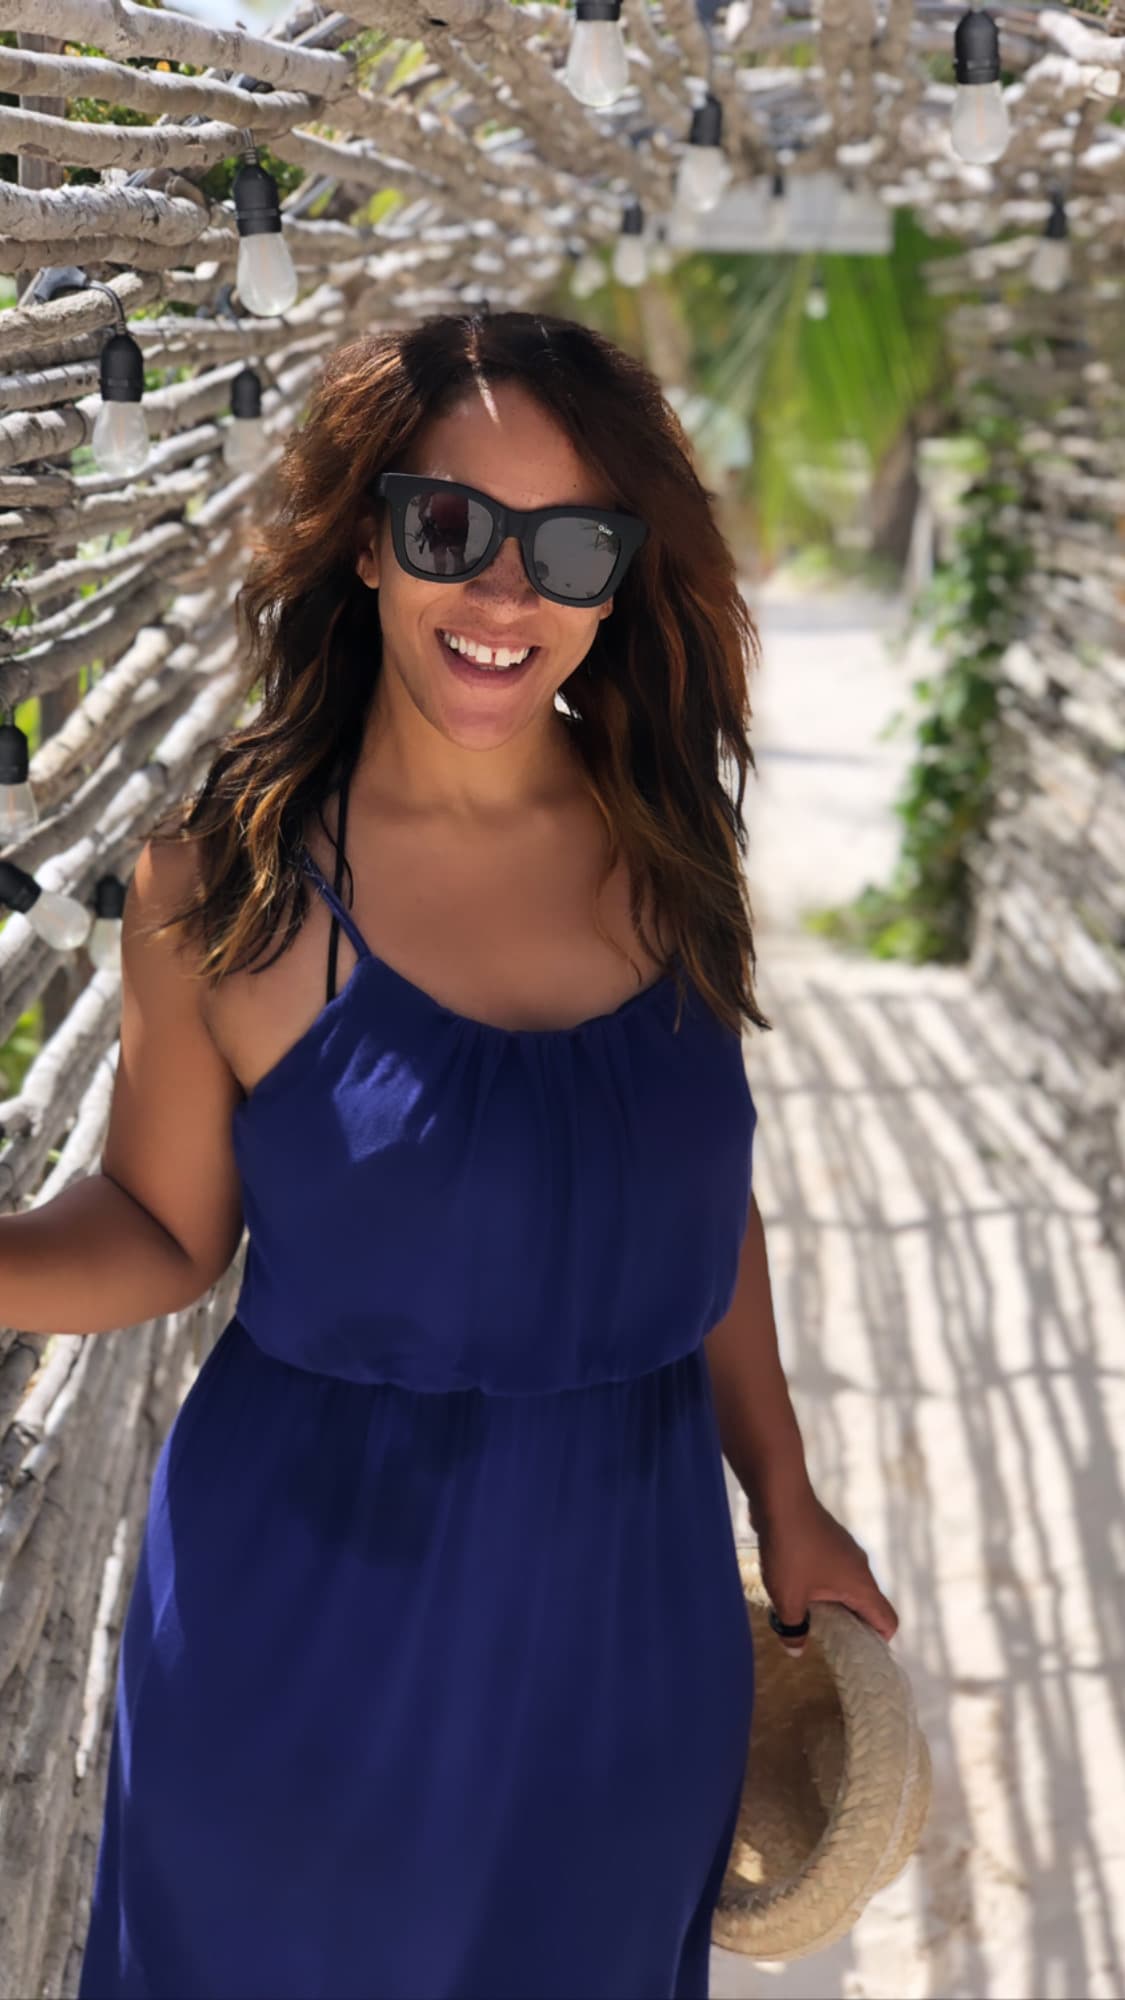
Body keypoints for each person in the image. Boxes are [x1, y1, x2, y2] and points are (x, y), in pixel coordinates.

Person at [5, 309, 896, 2000]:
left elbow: (709, 1217)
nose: (503, 598)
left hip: (626, 1623)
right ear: (366, 540)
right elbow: (157, 1228)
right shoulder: (221, 888)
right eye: (448, 530)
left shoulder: (670, 850)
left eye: (567, 548)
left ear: (619, 580)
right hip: (305, 1621)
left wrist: (784, 1495)